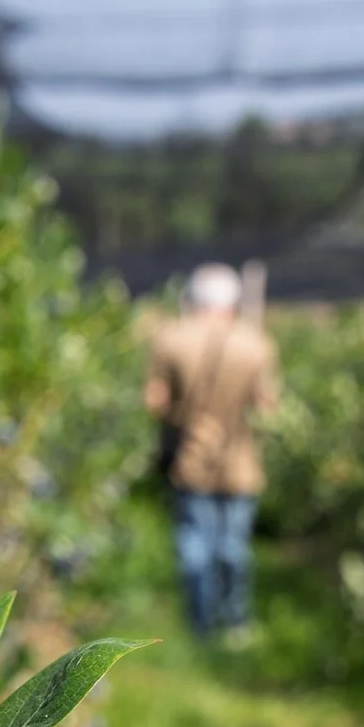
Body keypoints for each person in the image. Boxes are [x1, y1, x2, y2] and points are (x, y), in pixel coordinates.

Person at [145, 262, 279, 641]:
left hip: (189, 456)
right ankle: (236, 622)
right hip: (240, 459)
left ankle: (200, 625)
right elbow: (266, 403)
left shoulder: (170, 339)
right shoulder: (256, 343)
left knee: (194, 542)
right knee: (233, 544)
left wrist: (182, 415)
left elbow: (155, 400)